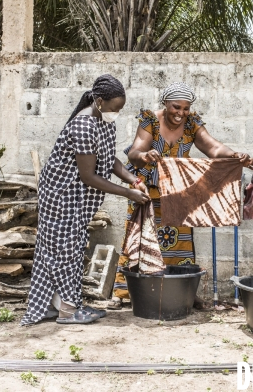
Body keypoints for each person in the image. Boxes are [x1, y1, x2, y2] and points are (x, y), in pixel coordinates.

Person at [109, 82, 253, 309]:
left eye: (186, 108)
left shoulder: (192, 125)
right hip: (147, 190)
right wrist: (146, 155)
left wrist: (234, 155)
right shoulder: (150, 121)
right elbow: (136, 153)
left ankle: (183, 291)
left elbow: (213, 148)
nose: (181, 113)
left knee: (181, 242)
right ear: (165, 104)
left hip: (177, 192)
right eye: (176, 107)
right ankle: (124, 291)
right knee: (138, 236)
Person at [21, 75, 150, 326]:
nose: (117, 113)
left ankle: (54, 305)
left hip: (74, 197)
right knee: (65, 250)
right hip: (61, 196)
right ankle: (67, 310)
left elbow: (108, 159)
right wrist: (127, 193)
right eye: (114, 108)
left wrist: (133, 180)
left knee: (68, 247)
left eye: (120, 109)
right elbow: (88, 176)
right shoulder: (83, 126)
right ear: (99, 101)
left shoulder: (103, 121)